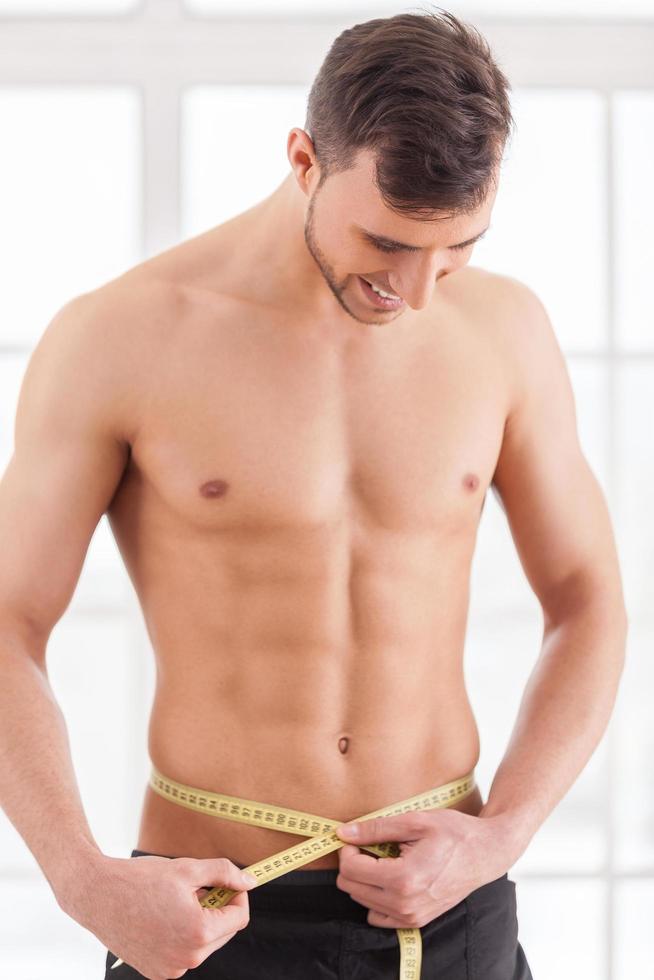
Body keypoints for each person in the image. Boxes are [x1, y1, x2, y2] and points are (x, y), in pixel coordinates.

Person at [0, 7, 627, 980]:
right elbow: (7, 615)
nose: (418, 292)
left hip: (449, 899)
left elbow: (588, 596)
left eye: (456, 247)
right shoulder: (119, 338)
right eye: (386, 243)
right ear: (303, 158)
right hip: (210, 913)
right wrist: (81, 877)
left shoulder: (503, 329)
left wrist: (501, 831)